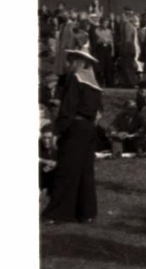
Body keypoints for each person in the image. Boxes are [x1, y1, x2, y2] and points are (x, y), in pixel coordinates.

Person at [42, 49, 102, 224]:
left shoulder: (74, 79)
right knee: (85, 171)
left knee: (66, 170)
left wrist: (57, 130)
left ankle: (57, 213)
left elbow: (69, 107)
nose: (68, 64)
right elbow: (98, 111)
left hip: (75, 127)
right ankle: (86, 212)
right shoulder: (94, 84)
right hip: (89, 128)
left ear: (78, 62)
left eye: (71, 61)